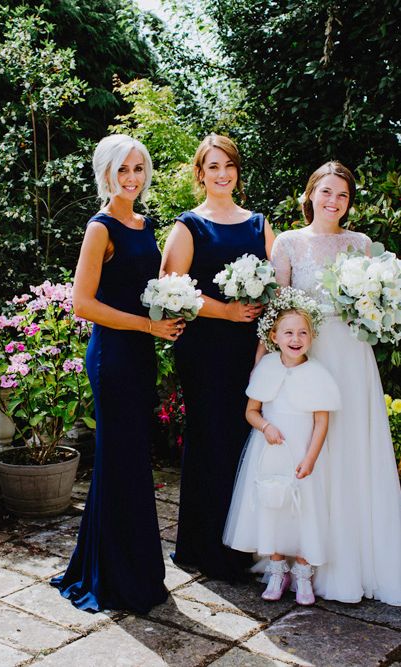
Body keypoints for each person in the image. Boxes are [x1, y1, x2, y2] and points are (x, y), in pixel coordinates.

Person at [51, 134, 181, 613]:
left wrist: (170, 308)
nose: (131, 177)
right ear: (105, 174)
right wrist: (148, 323)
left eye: (138, 169)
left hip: (142, 352)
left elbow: (146, 287)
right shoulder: (99, 227)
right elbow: (83, 304)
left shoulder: (147, 225)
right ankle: (114, 578)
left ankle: (130, 570)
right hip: (112, 356)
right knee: (118, 459)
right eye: (122, 170)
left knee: (130, 461)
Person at [271, 161, 401, 605]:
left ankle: (356, 557)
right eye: (325, 192)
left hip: (352, 357)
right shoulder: (288, 243)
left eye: (342, 195)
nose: (333, 201)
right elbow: (277, 313)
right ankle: (301, 554)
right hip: (309, 356)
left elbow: (374, 301)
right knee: (309, 448)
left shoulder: (361, 244)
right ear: (309, 194)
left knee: (352, 446)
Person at [161, 133, 275, 581]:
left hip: (250, 349)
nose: (222, 174)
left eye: (228, 165)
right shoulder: (190, 225)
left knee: (246, 441)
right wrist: (225, 309)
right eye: (213, 166)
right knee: (209, 439)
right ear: (200, 173)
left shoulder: (258, 223)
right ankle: (202, 546)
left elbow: (279, 282)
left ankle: (242, 544)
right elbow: (170, 286)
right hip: (205, 349)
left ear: (237, 171)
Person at [223, 303, 340, 605]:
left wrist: (311, 458)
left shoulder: (317, 373)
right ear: (274, 336)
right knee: (273, 506)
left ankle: (303, 573)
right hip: (271, 453)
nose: (295, 338)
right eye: (288, 332)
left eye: (303, 332)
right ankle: (277, 571)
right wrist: (265, 426)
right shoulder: (267, 368)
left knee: (304, 509)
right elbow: (251, 411)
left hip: (303, 454)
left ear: (311, 337)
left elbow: (321, 421)